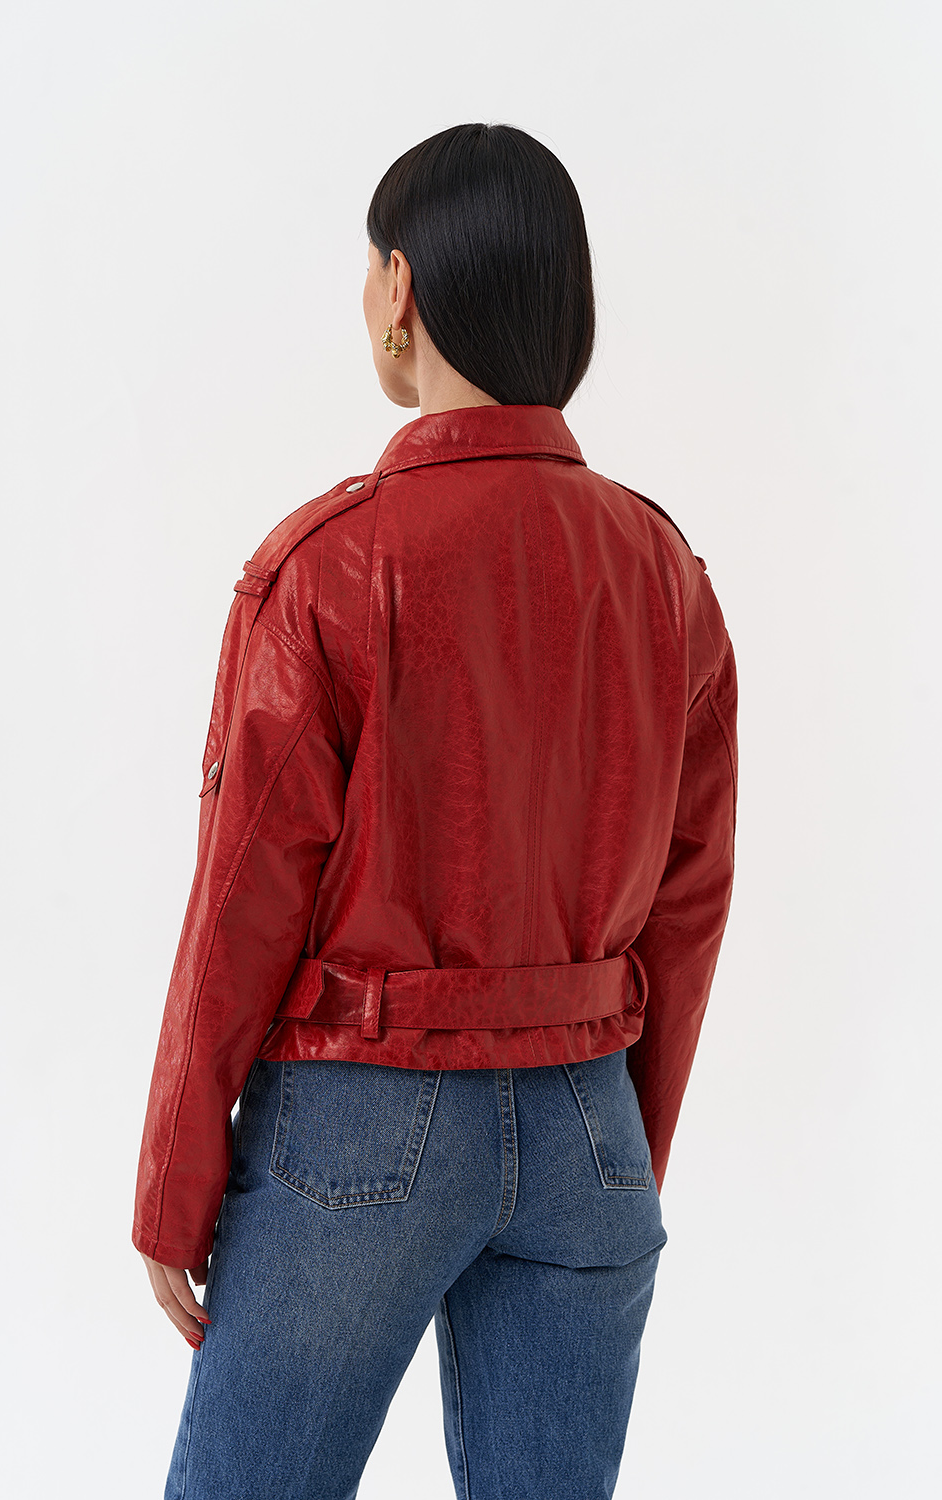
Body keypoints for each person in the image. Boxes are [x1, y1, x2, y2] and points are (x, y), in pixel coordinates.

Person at [133, 121, 738, 1500]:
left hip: (362, 1119)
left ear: (400, 285)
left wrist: (174, 1177)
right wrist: (622, 1142)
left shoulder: (325, 566)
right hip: (590, 1118)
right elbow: (692, 896)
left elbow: (244, 895)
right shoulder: (666, 573)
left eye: (369, 269)